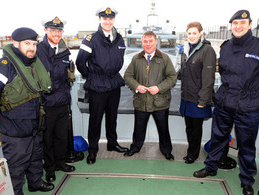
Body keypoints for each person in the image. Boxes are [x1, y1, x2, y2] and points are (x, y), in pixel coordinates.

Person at [193, 10, 259, 195]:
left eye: (242, 23)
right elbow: (223, 72)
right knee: (218, 138)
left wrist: (255, 94)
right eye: (235, 23)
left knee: (247, 146)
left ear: (250, 25)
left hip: (248, 107)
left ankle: (247, 180)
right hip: (224, 103)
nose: (238, 26)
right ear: (231, 25)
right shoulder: (225, 46)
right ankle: (211, 167)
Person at [0, 27, 54, 194]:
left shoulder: (34, 65)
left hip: (35, 126)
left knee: (36, 159)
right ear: (15, 43)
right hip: (15, 131)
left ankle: (35, 183)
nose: (32, 48)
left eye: (34, 44)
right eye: (27, 43)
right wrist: (5, 116)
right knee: (16, 169)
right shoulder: (2, 67)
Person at [76, 7, 128, 165]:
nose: (108, 21)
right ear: (100, 20)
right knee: (96, 119)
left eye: (110, 19)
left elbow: (120, 58)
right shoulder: (91, 39)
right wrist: (91, 76)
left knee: (112, 117)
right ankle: (93, 150)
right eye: (105, 19)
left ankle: (112, 143)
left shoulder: (119, 38)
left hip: (113, 83)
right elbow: (80, 62)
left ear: (113, 20)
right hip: (97, 85)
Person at [123, 30, 177, 161]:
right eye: (145, 41)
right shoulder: (136, 59)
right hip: (141, 101)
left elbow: (172, 77)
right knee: (138, 128)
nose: (148, 44)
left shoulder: (165, 58)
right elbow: (128, 76)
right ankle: (135, 147)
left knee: (163, 129)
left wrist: (159, 88)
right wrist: (137, 86)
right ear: (142, 43)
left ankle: (166, 150)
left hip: (160, 102)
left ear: (156, 42)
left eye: (150, 41)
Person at [37, 16, 76, 182]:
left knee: (62, 135)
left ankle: (60, 162)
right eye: (53, 30)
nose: (56, 33)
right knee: (48, 138)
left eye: (59, 31)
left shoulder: (64, 49)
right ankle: (50, 168)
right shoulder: (38, 50)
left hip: (63, 100)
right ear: (46, 31)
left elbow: (67, 74)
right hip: (46, 102)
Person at [177, 22, 216, 164]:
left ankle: (193, 154)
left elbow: (208, 78)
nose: (191, 36)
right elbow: (183, 71)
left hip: (198, 98)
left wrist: (203, 100)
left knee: (195, 129)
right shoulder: (187, 49)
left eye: (194, 33)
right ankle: (191, 151)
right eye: (189, 33)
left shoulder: (207, 50)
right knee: (189, 128)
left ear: (200, 33)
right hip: (187, 97)